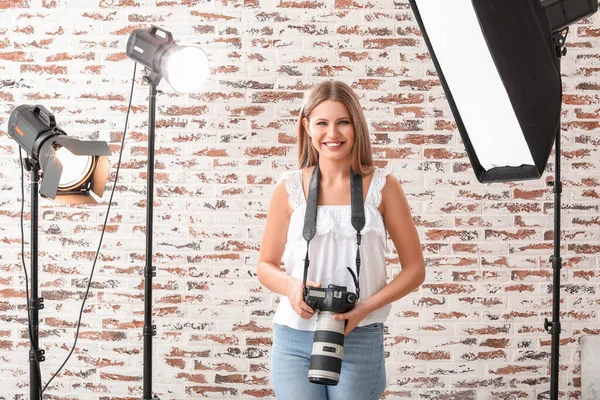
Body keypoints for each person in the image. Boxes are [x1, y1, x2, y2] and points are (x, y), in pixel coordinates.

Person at [257, 80, 426, 400]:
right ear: (306, 126)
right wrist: (293, 287)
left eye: (343, 122)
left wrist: (363, 309)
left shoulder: (383, 186)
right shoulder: (289, 187)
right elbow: (265, 265)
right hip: (294, 339)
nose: (332, 133)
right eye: (322, 123)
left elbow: (415, 269)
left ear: (356, 125)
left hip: (360, 336)